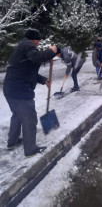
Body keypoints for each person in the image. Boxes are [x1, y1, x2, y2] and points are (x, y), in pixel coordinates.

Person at [3, 28, 58, 157]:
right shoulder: (27, 45)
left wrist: (43, 80)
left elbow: (28, 71)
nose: (39, 43)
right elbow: (37, 58)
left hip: (11, 89)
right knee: (29, 119)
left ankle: (13, 141)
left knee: (17, 115)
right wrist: (52, 51)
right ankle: (30, 149)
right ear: (34, 39)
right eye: (38, 40)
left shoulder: (22, 47)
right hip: (20, 91)